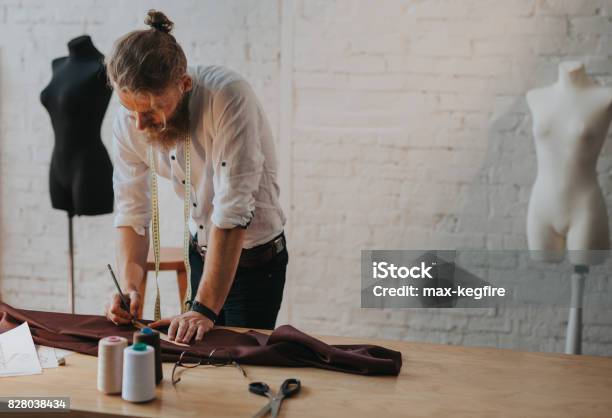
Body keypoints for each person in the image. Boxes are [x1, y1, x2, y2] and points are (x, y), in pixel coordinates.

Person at [104, 10, 287, 344]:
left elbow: (232, 210)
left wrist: (204, 307)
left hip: (255, 261)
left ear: (184, 84)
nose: (140, 126)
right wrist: (130, 287)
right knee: (198, 364)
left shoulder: (228, 97)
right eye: (131, 111)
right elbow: (132, 212)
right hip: (199, 253)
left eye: (150, 111)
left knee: (242, 362)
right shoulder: (129, 121)